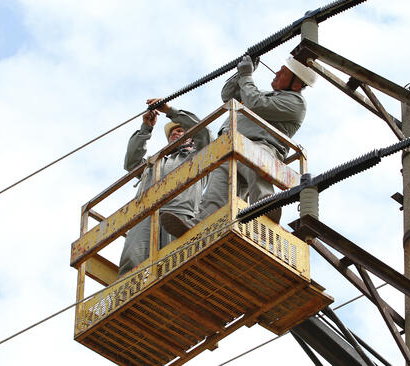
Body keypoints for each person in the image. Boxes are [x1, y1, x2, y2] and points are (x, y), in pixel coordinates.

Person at [161, 55, 316, 238]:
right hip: (230, 147)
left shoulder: (296, 103)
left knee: (255, 160)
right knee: (215, 193)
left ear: (296, 85)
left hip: (260, 146)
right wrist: (241, 73)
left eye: (283, 73)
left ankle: (266, 203)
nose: (276, 73)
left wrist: (247, 75)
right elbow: (227, 95)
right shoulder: (262, 93)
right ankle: (199, 228)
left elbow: (256, 103)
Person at [118, 98, 211, 277]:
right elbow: (131, 163)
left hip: (179, 215)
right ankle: (128, 302)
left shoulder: (202, 157)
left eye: (181, 130)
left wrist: (170, 111)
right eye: (173, 132)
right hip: (145, 215)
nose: (176, 134)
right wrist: (146, 128)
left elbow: (204, 132)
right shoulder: (156, 164)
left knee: (174, 265)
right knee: (132, 260)